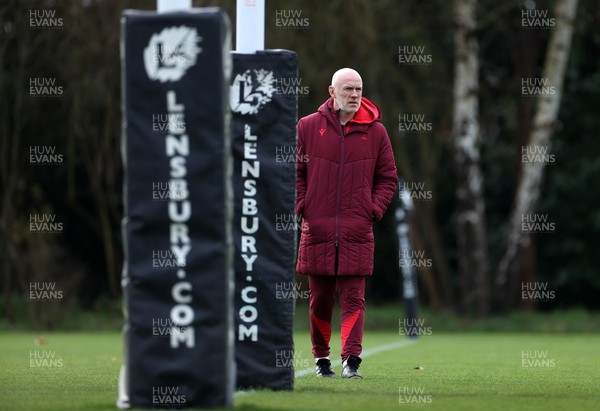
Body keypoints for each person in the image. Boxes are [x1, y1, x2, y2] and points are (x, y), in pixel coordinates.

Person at [295, 68, 398, 379]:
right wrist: (304, 207)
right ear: (332, 92)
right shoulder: (307, 127)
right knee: (320, 300)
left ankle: (351, 360)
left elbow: (388, 178)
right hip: (318, 230)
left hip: (357, 231)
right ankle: (321, 359)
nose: (355, 95)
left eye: (359, 89)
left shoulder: (377, 132)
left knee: (354, 298)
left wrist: (373, 209)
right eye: (348, 89)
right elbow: (295, 174)